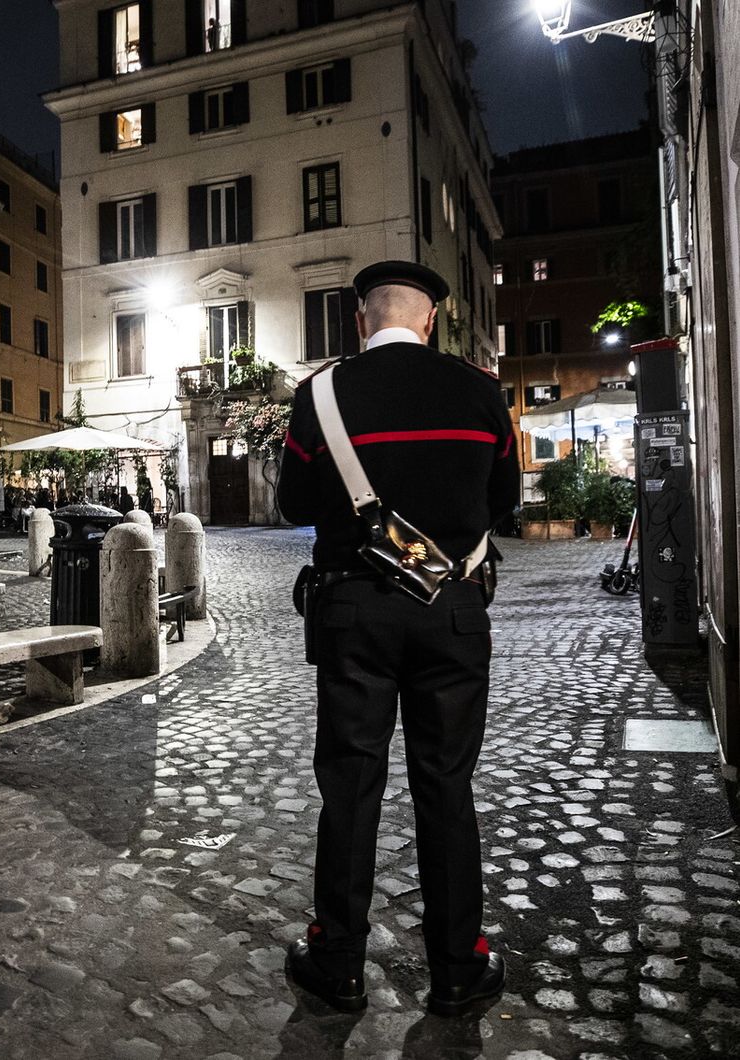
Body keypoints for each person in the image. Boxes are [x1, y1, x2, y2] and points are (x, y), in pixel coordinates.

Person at [277, 261, 519, 1016]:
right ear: (431, 320)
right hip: (451, 611)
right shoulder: (481, 392)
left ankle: (339, 962)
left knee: (350, 787)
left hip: (353, 612)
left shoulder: (320, 395)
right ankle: (456, 968)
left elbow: (289, 504)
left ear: (359, 321)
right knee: (445, 785)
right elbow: (504, 502)